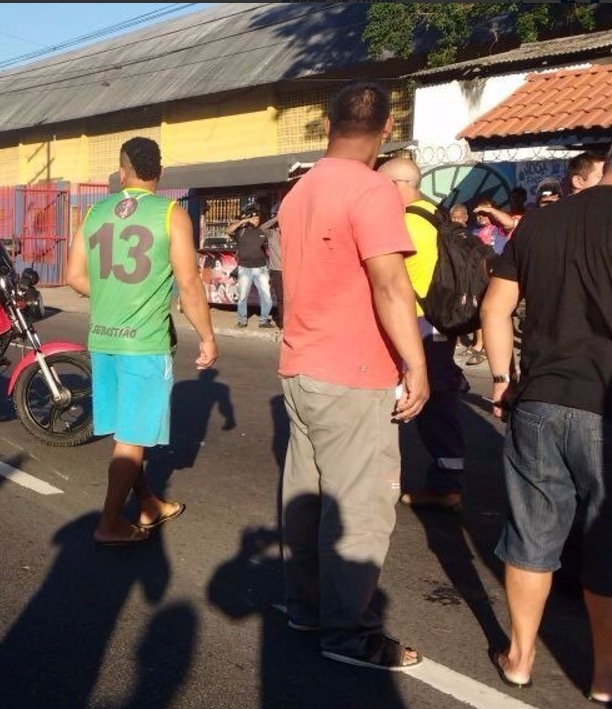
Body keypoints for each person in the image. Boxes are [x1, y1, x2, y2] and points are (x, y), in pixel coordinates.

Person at [276, 81, 428, 671]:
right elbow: (390, 284)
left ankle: (307, 608)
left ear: (326, 122)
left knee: (308, 500)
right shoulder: (372, 190)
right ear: (387, 128)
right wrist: (415, 364)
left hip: (300, 365)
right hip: (355, 371)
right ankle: (349, 635)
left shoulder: (300, 191)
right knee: (360, 510)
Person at [480, 146, 612, 701]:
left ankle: (519, 657)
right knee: (607, 543)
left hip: (539, 399)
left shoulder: (538, 225)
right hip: (606, 406)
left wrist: (500, 378)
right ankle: (604, 676)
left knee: (532, 536)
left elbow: (494, 309)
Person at [66, 136, 218, 546]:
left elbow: (74, 276)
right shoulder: (171, 213)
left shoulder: (95, 212)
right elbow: (188, 285)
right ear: (160, 173)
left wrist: (113, 297)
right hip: (144, 343)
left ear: (121, 172)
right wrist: (207, 336)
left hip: (103, 340)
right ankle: (109, 522)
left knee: (126, 434)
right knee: (132, 440)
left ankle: (149, 503)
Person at [378, 157, 469, 512]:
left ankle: (442, 485)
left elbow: (386, 279)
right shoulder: (435, 214)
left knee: (410, 403)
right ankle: (447, 479)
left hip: (417, 326)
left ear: (396, 185)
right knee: (437, 404)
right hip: (439, 325)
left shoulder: (406, 224)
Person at [226, 202, 275, 328]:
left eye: (257, 218)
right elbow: (227, 230)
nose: (256, 220)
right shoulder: (240, 232)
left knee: (266, 296)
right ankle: (242, 320)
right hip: (245, 268)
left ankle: (263, 320)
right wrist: (244, 221)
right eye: (254, 218)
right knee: (242, 296)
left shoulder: (262, 231)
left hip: (261, 269)